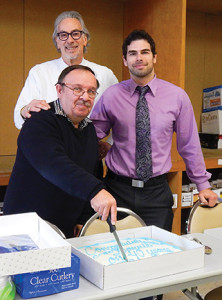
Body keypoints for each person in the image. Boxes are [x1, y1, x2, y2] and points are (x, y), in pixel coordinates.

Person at [91, 30, 218, 299]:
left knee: (156, 264)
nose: (139, 58)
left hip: (157, 192)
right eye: (133, 53)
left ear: (154, 57)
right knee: (117, 258)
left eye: (144, 52)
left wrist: (203, 185)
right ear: (125, 60)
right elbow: (91, 134)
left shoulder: (177, 96)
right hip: (117, 189)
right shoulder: (111, 96)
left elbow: (189, 145)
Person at [4, 65, 117, 238]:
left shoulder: (88, 129)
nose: (85, 97)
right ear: (59, 90)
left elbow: (92, 172)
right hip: (28, 229)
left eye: (91, 91)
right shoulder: (39, 120)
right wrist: (95, 191)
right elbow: (53, 163)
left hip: (65, 228)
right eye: (77, 89)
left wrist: (84, 218)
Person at [14, 10, 118, 130]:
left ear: (85, 39)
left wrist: (110, 144)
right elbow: (18, 118)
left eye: (75, 33)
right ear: (57, 42)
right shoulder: (39, 72)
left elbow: (121, 118)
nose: (69, 40)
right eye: (63, 35)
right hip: (49, 144)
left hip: (91, 145)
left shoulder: (106, 75)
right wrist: (25, 110)